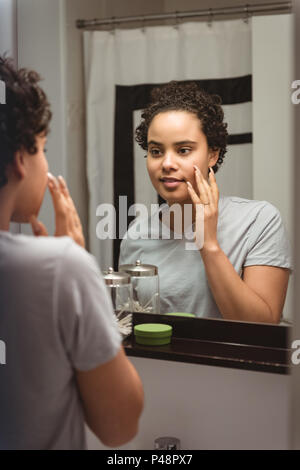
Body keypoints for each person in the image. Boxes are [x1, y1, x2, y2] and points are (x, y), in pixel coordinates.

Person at [0, 56, 143, 450]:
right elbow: (120, 427)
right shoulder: (58, 268)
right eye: (43, 148)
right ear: (19, 161)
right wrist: (75, 268)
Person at [119, 81, 293, 324]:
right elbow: (133, 327)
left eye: (183, 150)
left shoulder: (259, 221)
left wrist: (208, 244)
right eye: (156, 151)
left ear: (213, 154)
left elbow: (261, 327)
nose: (167, 163)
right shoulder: (135, 236)